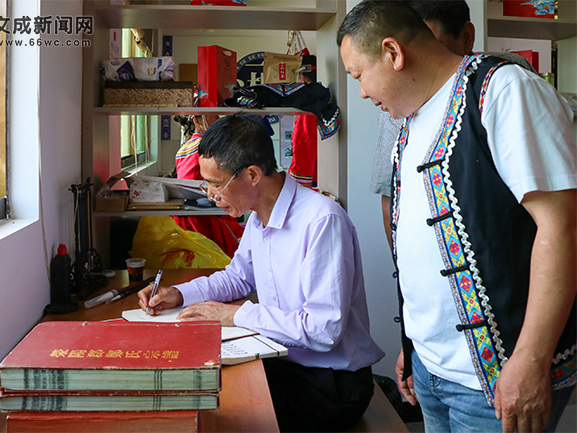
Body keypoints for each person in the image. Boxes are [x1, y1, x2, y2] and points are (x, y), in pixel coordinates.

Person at [338, 2, 576, 433]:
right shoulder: (410, 121)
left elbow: (563, 226)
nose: (362, 93)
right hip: (431, 368)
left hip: (499, 376)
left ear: (393, 52)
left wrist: (531, 359)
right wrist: (414, 344)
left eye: (358, 75)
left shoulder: (503, 91)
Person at [138, 114, 385, 432]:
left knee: (222, 410)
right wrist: (179, 294)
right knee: (199, 385)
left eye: (216, 184)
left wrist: (236, 315)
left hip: (332, 384)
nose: (211, 195)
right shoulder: (258, 216)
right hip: (284, 363)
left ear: (252, 174)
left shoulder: (321, 220)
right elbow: (237, 278)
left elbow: (323, 330)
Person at [369, 0, 537, 246]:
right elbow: (390, 193)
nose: (417, 64)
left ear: (466, 37)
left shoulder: (507, 78)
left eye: (430, 46)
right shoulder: (397, 100)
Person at [173, 114, 244, 258]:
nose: (218, 118)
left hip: (185, 217)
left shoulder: (184, 148)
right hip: (205, 218)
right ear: (197, 120)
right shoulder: (210, 148)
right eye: (213, 115)